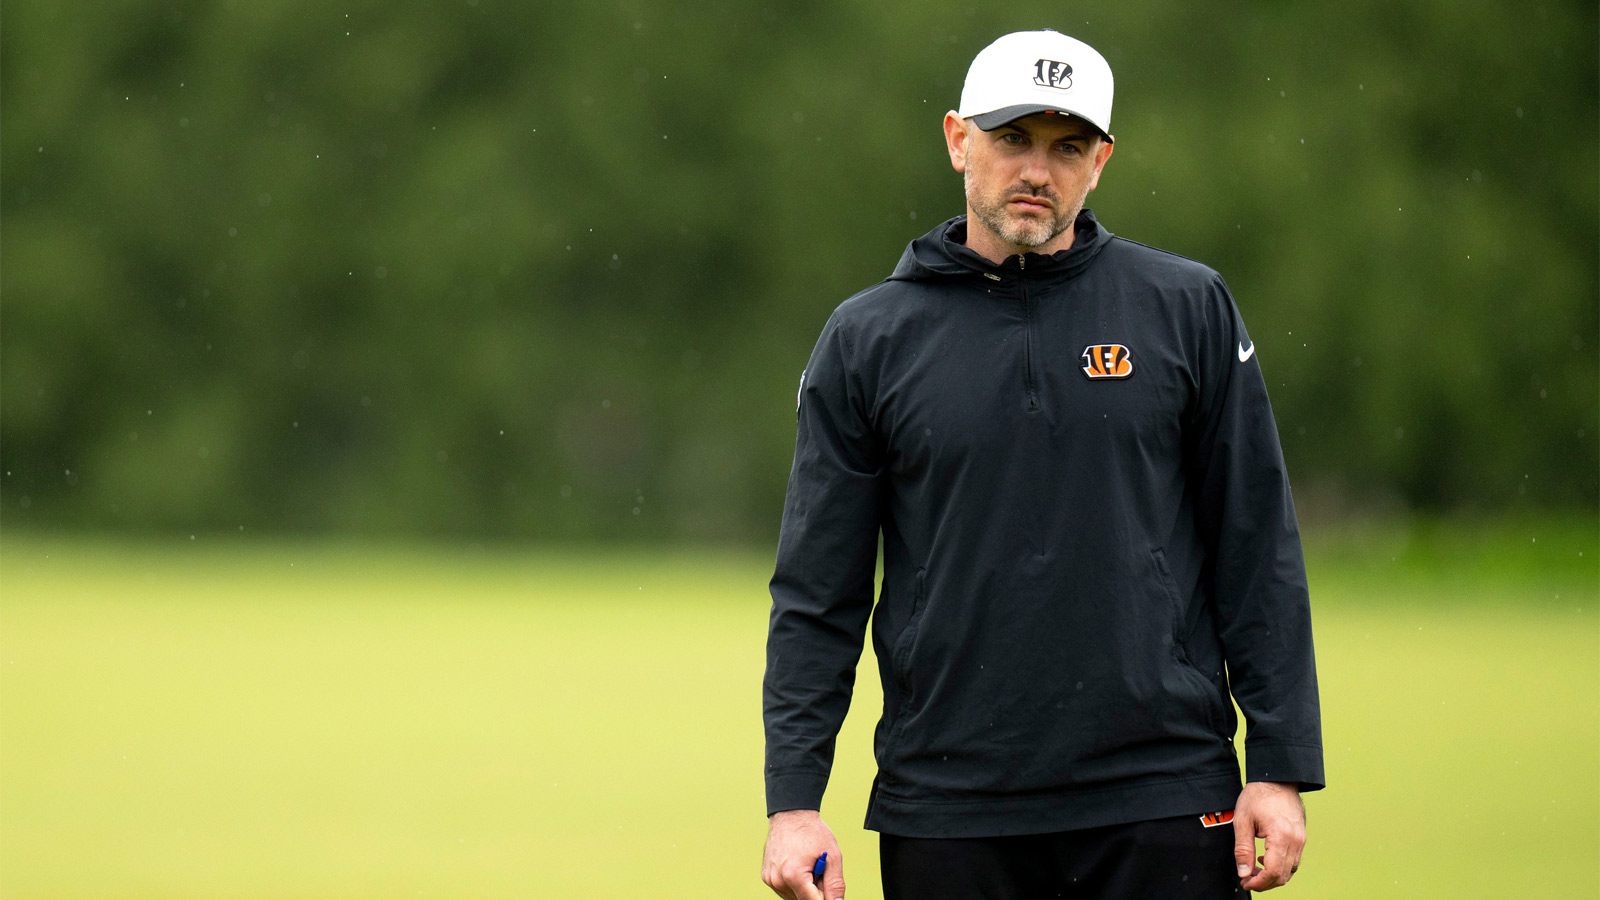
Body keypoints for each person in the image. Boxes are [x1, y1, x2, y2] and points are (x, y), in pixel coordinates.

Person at [759, 29, 1323, 900]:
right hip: (948, 804)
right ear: (958, 140)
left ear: (1101, 161)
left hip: (1163, 794)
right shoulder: (868, 339)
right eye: (1013, 139)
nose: (1038, 171)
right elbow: (817, 591)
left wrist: (1280, 764)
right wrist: (794, 801)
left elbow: (1257, 547)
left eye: (1067, 147)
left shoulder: (1186, 308)